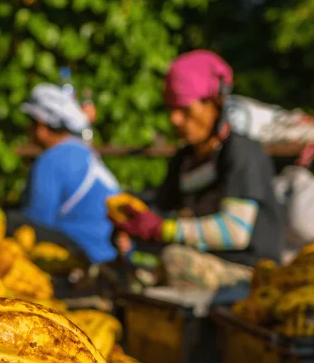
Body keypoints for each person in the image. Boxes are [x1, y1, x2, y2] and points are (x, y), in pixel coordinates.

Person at [113, 50, 283, 289]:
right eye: (171, 109)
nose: (175, 120)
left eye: (185, 110)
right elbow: (162, 210)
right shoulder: (184, 160)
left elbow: (235, 231)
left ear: (215, 104)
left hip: (248, 273)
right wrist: (131, 226)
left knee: (174, 260)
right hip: (203, 262)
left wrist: (163, 229)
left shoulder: (243, 153)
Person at [11, 83, 121, 265]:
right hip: (110, 251)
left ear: (40, 125)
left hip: (86, 255)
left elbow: (35, 223)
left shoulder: (51, 160)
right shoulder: (81, 150)